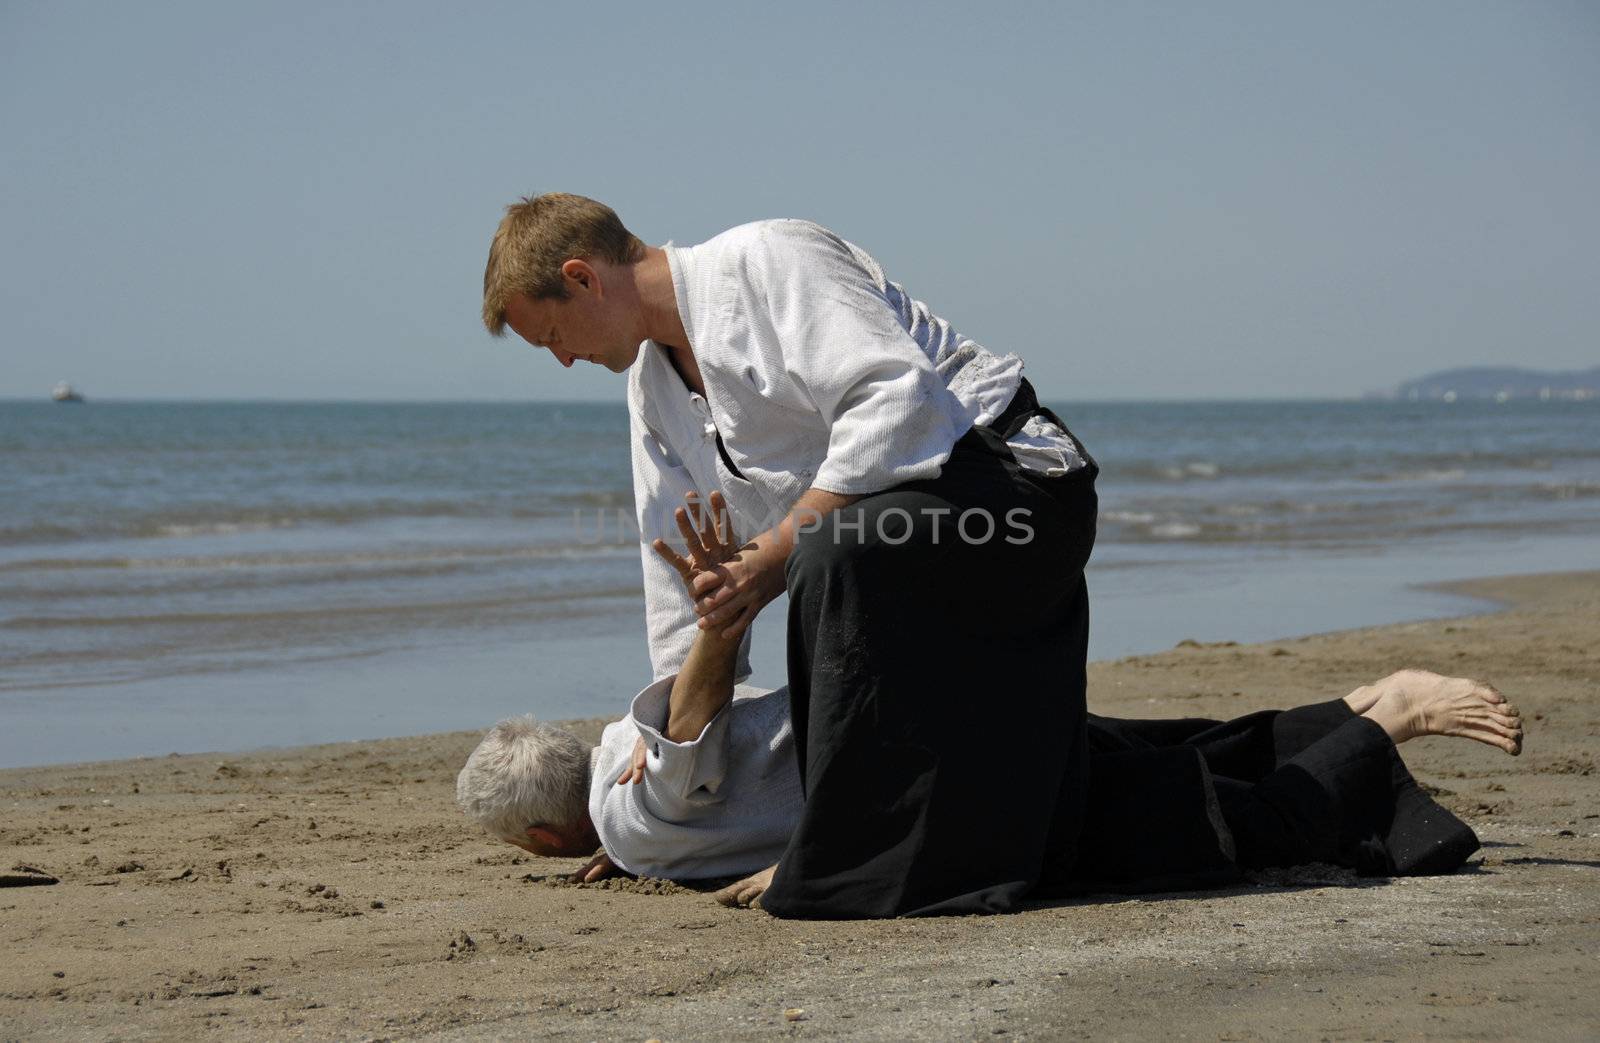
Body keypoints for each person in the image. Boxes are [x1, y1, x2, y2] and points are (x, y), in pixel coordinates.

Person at [482, 193, 1098, 917]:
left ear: (583, 277)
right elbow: (682, 576)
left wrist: (772, 550)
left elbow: (899, 401)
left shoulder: (768, 259)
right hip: (895, 542)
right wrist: (671, 744)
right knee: (829, 553)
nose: (561, 360)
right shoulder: (651, 393)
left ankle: (835, 853)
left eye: (552, 333)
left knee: (825, 555)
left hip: (1018, 491)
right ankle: (857, 837)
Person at [455, 493, 1525, 905]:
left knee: (1223, 823)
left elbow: (683, 750)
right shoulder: (616, 777)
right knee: (1189, 750)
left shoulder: (641, 808)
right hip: (951, 717)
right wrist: (628, 841)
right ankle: (1364, 696)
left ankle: (1392, 717)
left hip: (947, 769)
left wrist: (720, 622)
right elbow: (668, 761)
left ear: (548, 834)